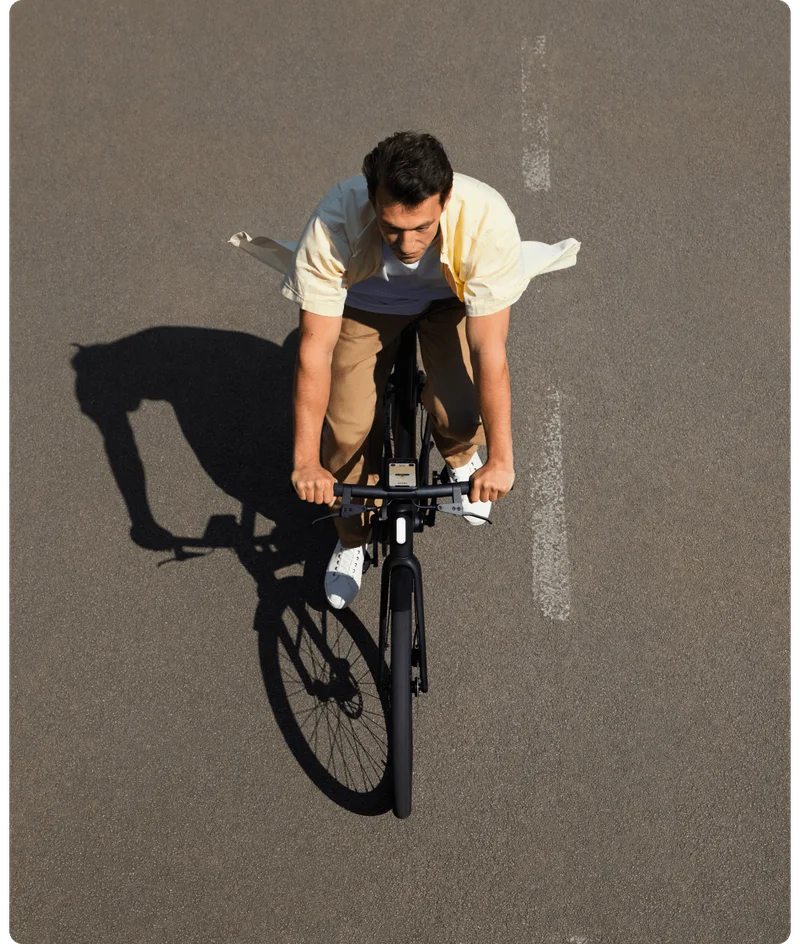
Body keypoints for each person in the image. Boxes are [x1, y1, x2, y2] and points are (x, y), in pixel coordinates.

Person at [229, 130, 580, 610]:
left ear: (447, 199)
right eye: (392, 228)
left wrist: (501, 458)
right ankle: (352, 538)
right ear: (371, 199)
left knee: (459, 404)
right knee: (346, 433)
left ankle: (461, 457)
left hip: (449, 300)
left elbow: (490, 354)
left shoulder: (487, 219)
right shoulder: (333, 220)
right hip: (364, 303)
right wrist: (306, 460)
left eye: (423, 227)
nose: (408, 244)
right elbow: (313, 350)